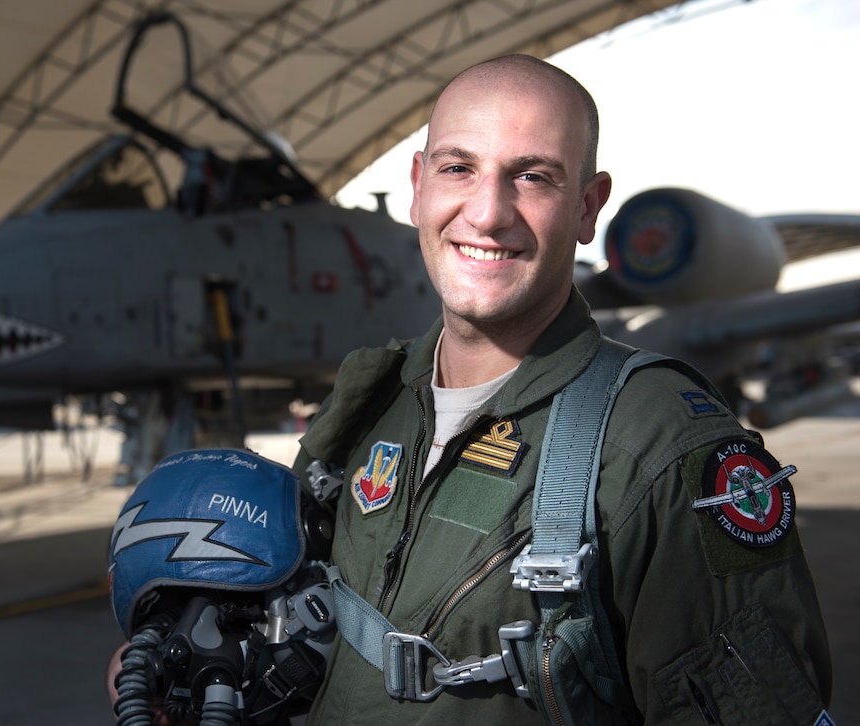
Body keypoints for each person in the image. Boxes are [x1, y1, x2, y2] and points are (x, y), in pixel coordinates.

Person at [291, 54, 834, 725]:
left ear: (587, 207)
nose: (487, 214)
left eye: (533, 177)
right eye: (457, 167)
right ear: (418, 185)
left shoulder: (661, 448)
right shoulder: (370, 403)